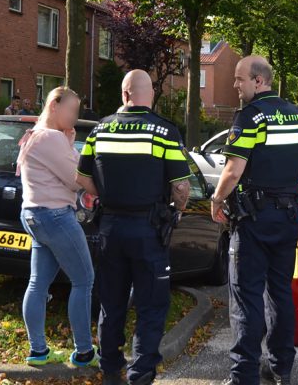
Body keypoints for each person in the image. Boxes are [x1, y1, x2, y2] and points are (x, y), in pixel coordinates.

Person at [76, 70, 191, 385]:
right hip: (149, 230)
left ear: (124, 94)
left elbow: (81, 178)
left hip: (110, 228)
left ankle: (110, 369)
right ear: (148, 94)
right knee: (151, 305)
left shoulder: (99, 130)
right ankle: (140, 375)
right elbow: (181, 187)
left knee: (111, 301)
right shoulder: (164, 131)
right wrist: (177, 212)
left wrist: (110, 196)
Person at [210, 56, 298, 385]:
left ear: (259, 81)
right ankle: (281, 369)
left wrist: (216, 199)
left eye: (240, 79)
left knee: (246, 295)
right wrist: (284, 186)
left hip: (254, 220)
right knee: (281, 293)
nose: (235, 85)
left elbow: (233, 170)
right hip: (287, 218)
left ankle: (244, 376)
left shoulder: (251, 116)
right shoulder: (294, 116)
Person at [16, 87, 98, 368]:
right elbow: (77, 179)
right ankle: (85, 352)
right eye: (72, 110)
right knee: (84, 280)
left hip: (33, 215)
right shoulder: (51, 138)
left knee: (38, 283)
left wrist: (69, 142)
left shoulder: (35, 135)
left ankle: (38, 350)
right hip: (55, 216)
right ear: (54, 105)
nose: (75, 117)